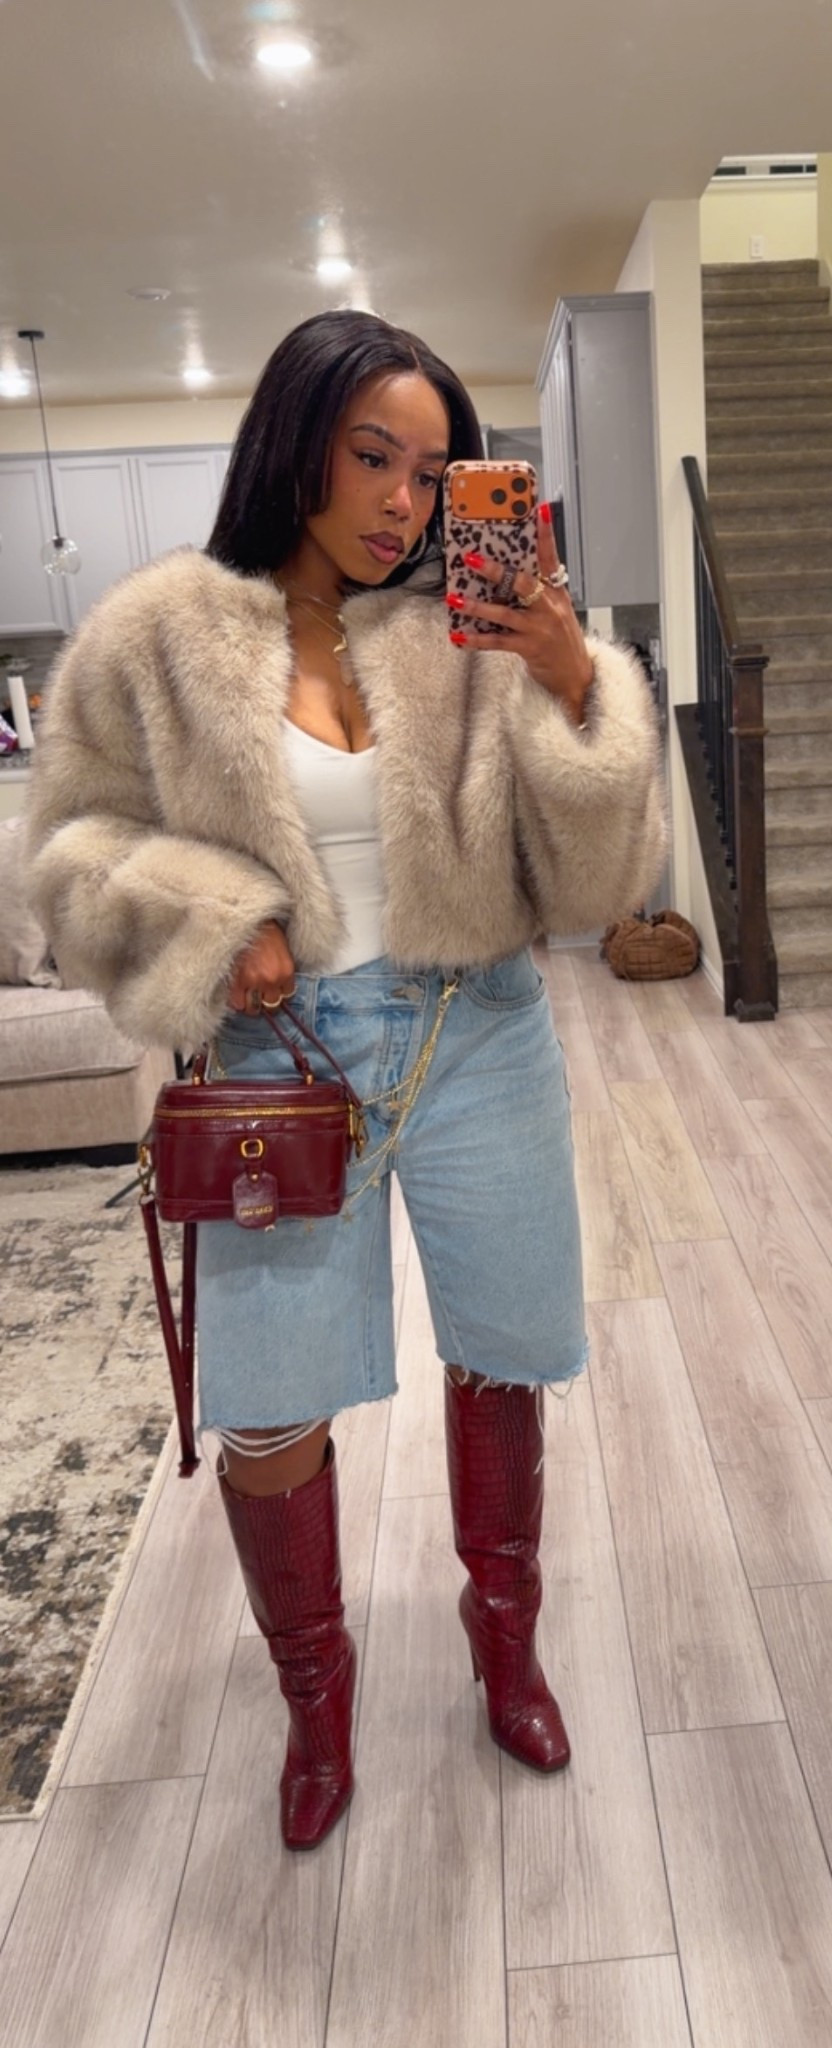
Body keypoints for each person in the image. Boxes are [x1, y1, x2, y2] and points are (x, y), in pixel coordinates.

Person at [24, 310, 666, 1851]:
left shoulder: (470, 634)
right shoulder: (164, 633)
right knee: (270, 1403)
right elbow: (69, 852)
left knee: (503, 1353)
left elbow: (597, 883)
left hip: (479, 1028)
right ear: (295, 444)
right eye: (373, 456)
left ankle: (505, 1648)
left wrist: (573, 682)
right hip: (281, 1059)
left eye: (434, 472)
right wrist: (216, 911)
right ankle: (316, 1706)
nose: (402, 500)